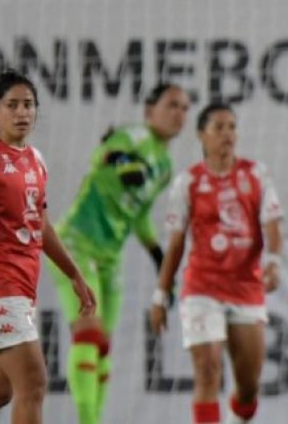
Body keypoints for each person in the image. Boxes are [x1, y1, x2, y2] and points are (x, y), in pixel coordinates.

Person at [0, 70, 97, 424]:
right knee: (34, 383)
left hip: (20, 289)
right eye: (12, 105)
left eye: (28, 105)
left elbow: (40, 224)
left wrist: (74, 274)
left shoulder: (36, 160)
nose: (22, 112)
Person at [49, 83, 188, 424]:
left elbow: (138, 214)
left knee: (104, 347)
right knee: (89, 334)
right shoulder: (134, 136)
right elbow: (103, 156)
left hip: (111, 256)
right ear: (149, 110)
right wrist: (123, 160)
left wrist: (158, 257)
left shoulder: (166, 165)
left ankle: (95, 418)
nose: (179, 113)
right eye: (171, 105)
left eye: (184, 107)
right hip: (76, 245)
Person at [149, 104, 284, 424]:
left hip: (246, 287)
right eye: (219, 127)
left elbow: (273, 226)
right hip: (202, 287)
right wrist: (160, 292)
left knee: (249, 386)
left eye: (232, 127)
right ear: (201, 135)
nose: (227, 134)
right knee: (207, 370)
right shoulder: (189, 182)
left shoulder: (255, 174)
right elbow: (177, 243)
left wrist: (274, 262)